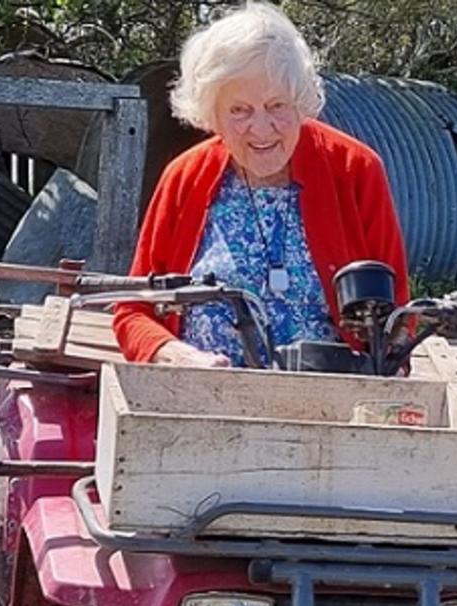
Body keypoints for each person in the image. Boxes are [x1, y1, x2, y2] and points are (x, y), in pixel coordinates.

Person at [113, 0, 409, 367]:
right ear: (211, 114)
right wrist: (173, 355)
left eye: (276, 106)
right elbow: (133, 309)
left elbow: (397, 316)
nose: (261, 128)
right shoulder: (184, 177)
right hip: (203, 403)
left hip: (329, 407)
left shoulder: (355, 170)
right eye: (239, 110)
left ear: (299, 101)